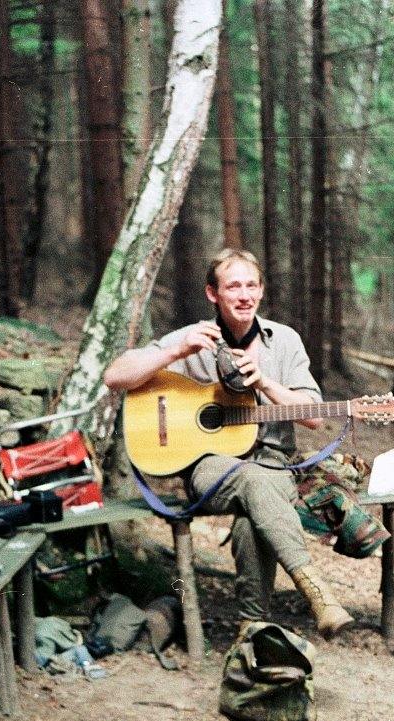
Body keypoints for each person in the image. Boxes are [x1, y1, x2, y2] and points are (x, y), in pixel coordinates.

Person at [103, 248, 354, 639]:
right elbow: (115, 376)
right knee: (251, 482)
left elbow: (315, 416)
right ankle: (315, 590)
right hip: (210, 467)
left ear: (262, 290)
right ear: (212, 293)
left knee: (251, 519)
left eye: (251, 285)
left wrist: (265, 384)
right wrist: (177, 350)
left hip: (275, 464)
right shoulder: (194, 339)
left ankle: (252, 629)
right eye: (233, 286)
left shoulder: (284, 341)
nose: (244, 295)